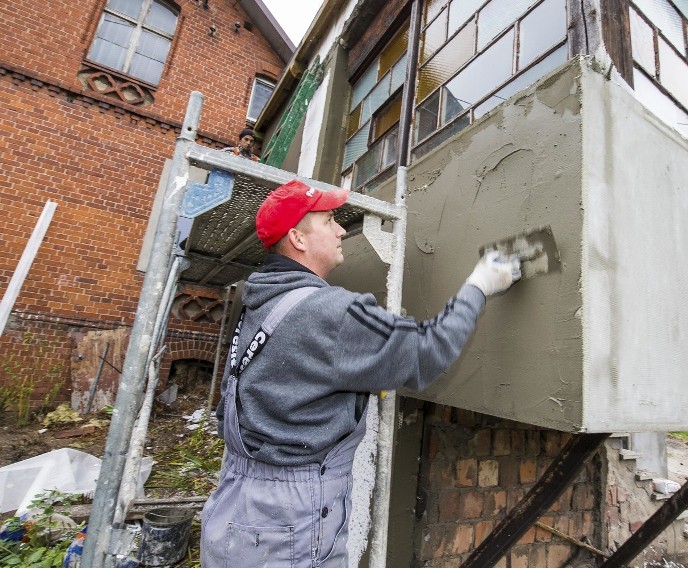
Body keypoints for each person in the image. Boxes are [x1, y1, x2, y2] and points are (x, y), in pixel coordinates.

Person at [200, 179, 520, 567]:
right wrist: (479, 286)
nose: (340, 231)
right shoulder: (329, 313)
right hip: (288, 526)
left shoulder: (258, 300)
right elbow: (427, 353)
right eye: (329, 221)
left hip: (234, 508)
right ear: (298, 238)